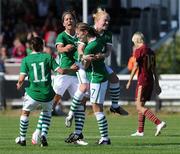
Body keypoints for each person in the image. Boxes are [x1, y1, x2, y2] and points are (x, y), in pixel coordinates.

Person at [31, 11, 85, 145]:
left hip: (76, 75)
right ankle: (38, 131)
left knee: (81, 104)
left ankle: (77, 136)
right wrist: (65, 48)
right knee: (51, 105)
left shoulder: (79, 36)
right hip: (63, 75)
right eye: (66, 19)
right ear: (63, 23)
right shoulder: (61, 36)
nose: (69, 21)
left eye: (71, 19)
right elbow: (59, 49)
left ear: (75, 20)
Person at [15, 36, 78, 146]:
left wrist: (19, 84)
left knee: (25, 113)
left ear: (31, 47)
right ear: (42, 46)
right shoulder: (48, 57)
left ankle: (22, 138)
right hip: (48, 94)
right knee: (47, 113)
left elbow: (21, 79)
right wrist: (71, 69)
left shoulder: (26, 60)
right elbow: (61, 71)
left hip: (33, 94)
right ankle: (43, 135)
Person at [66, 23, 110, 145]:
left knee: (97, 109)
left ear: (85, 33)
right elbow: (105, 51)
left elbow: (85, 66)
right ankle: (105, 138)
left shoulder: (90, 47)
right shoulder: (99, 40)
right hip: (101, 77)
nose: (78, 36)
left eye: (79, 33)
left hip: (97, 78)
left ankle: (105, 138)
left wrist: (82, 62)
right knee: (98, 108)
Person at [126, 32, 166, 137]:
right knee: (142, 105)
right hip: (150, 81)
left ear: (137, 40)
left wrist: (129, 80)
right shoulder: (151, 51)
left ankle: (158, 122)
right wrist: (157, 84)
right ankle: (140, 131)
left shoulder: (139, 50)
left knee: (139, 106)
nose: (133, 44)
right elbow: (154, 70)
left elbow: (135, 66)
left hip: (142, 80)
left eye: (133, 41)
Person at [93, 8, 128, 115]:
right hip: (87, 65)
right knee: (84, 96)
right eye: (105, 20)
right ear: (97, 21)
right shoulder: (88, 31)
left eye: (108, 21)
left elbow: (108, 52)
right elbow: (80, 47)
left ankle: (114, 106)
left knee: (114, 79)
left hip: (99, 63)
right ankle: (71, 115)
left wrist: (101, 55)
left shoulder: (108, 34)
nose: (107, 23)